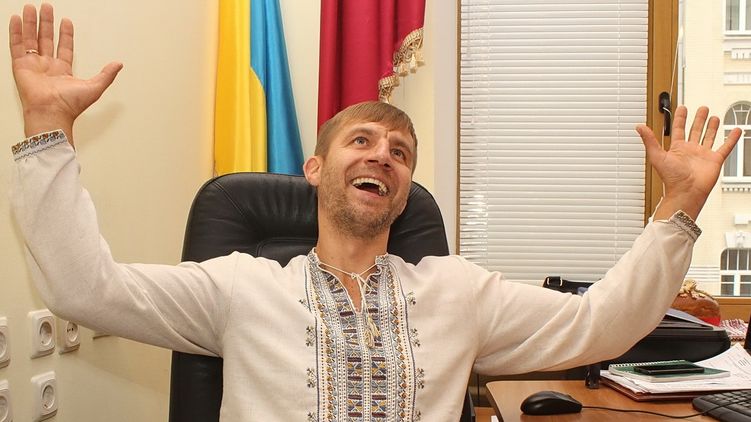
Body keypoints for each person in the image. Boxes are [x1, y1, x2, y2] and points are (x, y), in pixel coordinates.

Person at [9, 4, 741, 421]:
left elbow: (600, 324)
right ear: (315, 170)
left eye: (399, 151)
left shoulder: (457, 292)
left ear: (406, 187)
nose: (382, 156)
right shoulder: (237, 286)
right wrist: (47, 128)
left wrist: (679, 204)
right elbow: (85, 290)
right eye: (360, 141)